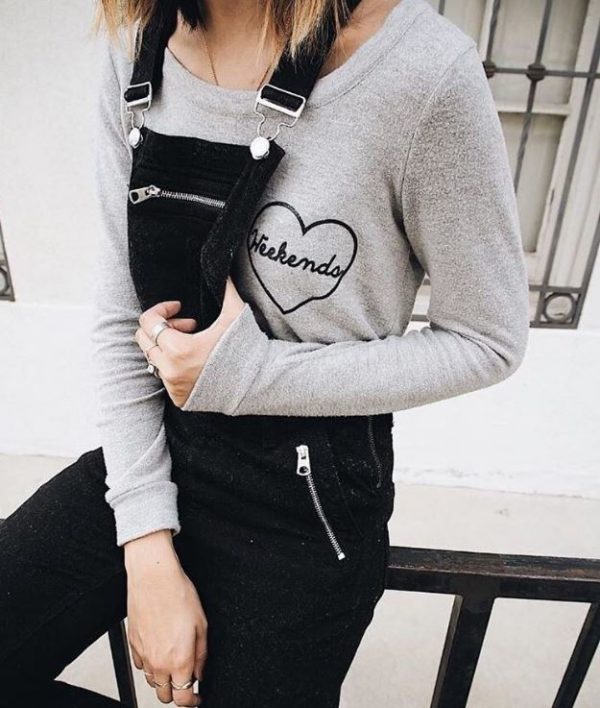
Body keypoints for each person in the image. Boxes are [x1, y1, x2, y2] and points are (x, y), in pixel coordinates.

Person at [0, 0, 530, 706]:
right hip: (157, 449)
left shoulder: (420, 72)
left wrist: (250, 376)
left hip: (309, 501)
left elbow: (487, 340)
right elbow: (124, 316)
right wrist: (146, 542)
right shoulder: (134, 45)